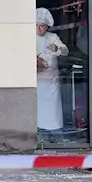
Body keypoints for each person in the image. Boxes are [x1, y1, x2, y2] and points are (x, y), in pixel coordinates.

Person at [36, 7, 68, 136]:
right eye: (36, 25)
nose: (39, 29)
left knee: (52, 110)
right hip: (37, 79)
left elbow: (65, 51)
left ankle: (54, 132)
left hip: (51, 80)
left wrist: (57, 48)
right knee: (39, 108)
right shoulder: (27, 38)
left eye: (42, 26)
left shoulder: (53, 37)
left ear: (47, 27)